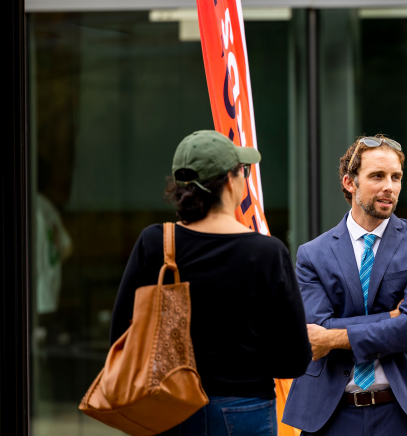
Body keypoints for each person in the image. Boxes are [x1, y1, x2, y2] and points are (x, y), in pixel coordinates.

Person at [110, 130, 311, 436]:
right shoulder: (268, 252)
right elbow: (295, 359)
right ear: (231, 181)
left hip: (166, 408)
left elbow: (120, 336)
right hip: (246, 410)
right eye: (243, 170)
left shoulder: (155, 243)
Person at [282, 135, 407, 435]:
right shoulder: (312, 253)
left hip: (403, 411)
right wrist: (389, 318)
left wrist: (333, 337)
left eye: (396, 177)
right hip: (331, 411)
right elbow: (316, 328)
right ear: (350, 183)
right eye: (377, 176)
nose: (389, 186)